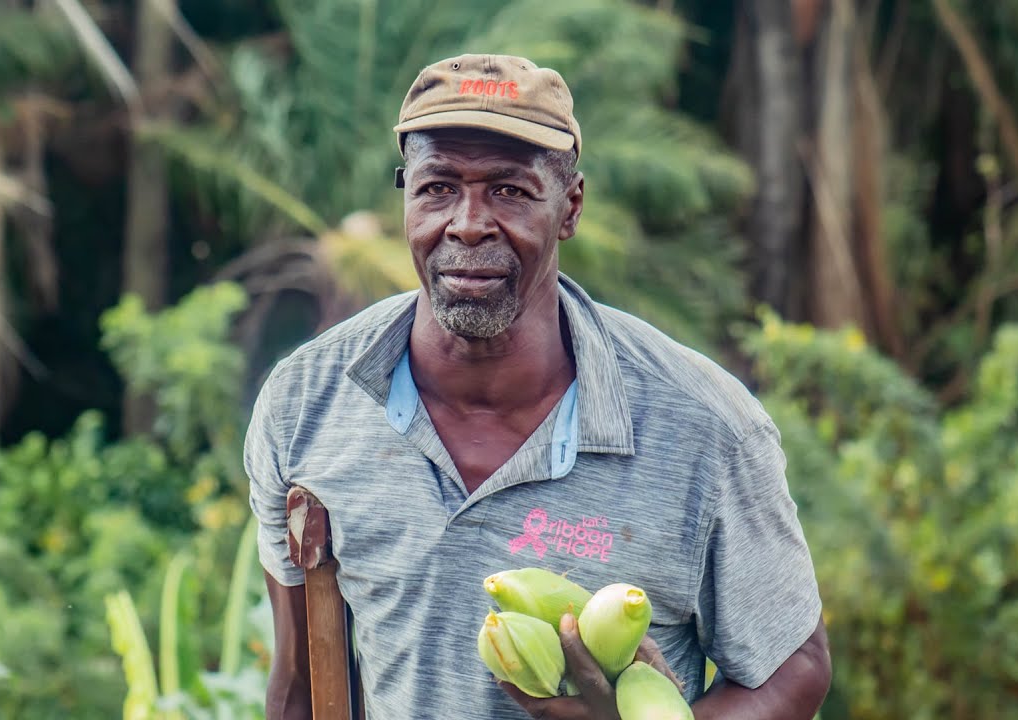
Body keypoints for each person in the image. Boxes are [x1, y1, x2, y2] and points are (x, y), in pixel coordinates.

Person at [245, 53, 831, 720]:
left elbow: (795, 669)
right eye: (438, 187)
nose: (468, 223)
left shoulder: (703, 427)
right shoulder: (306, 404)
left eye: (509, 191)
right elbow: (299, 680)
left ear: (570, 206)